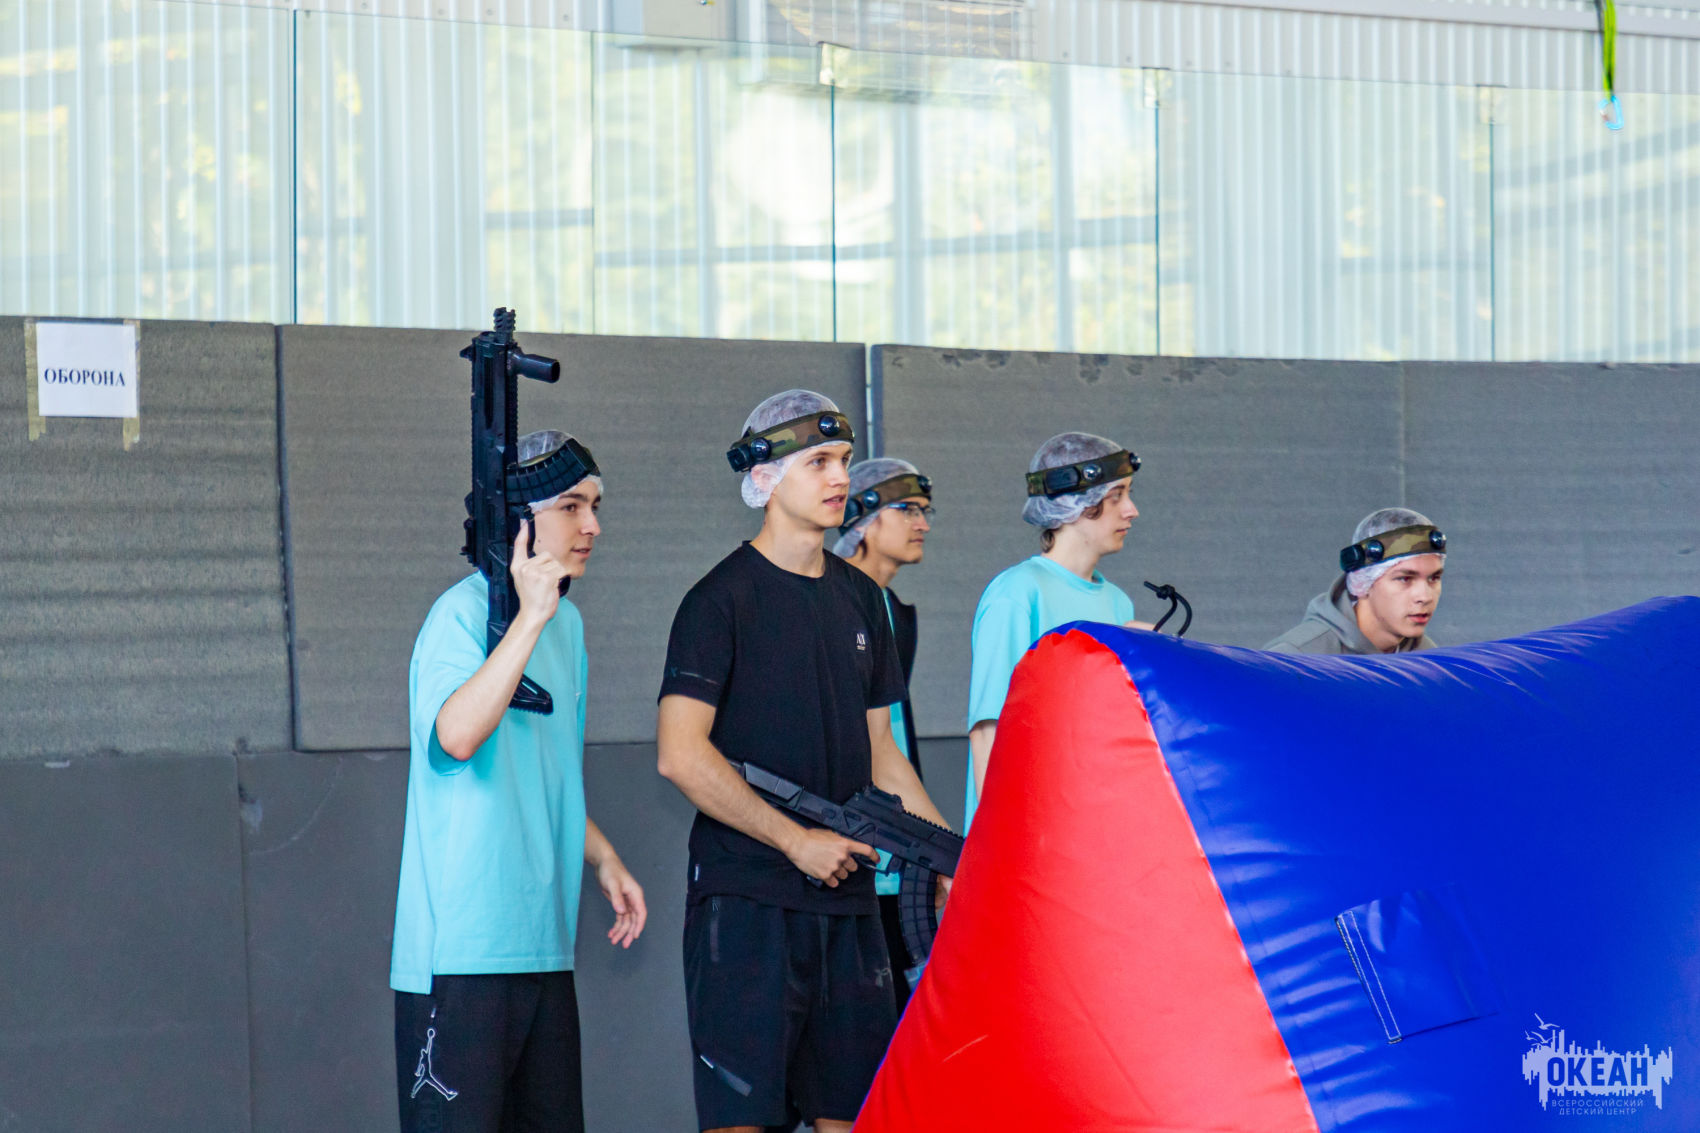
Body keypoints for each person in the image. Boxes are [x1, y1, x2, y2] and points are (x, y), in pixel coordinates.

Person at [656, 390, 955, 1133]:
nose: (840, 477)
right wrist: (795, 841)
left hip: (849, 907)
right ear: (764, 476)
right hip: (745, 904)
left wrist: (952, 855)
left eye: (845, 460)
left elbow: (882, 752)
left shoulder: (862, 601)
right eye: (818, 461)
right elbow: (680, 755)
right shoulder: (718, 601)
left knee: (852, 1117)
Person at [391, 429, 648, 1133]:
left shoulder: (568, 627)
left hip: (545, 943)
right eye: (571, 506)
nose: (592, 526)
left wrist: (603, 857)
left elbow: (544, 770)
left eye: (595, 506)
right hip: (461, 954)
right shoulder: (460, 614)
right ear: (518, 521)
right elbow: (455, 736)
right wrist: (528, 619)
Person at [965, 432, 1145, 832]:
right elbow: (988, 733)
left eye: (1129, 495)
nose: (1132, 511)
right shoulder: (1017, 593)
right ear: (1074, 503)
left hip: (1090, 828)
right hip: (1028, 835)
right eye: (1116, 496)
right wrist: (1002, 846)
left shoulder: (1118, 604)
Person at [831, 456, 935, 1009]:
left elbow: (890, 736)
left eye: (925, 511)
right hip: (847, 862)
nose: (923, 523)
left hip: (896, 855)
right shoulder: (832, 602)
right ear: (862, 520)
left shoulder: (893, 610)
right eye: (908, 510)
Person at [1265, 507, 1446, 655]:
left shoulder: (1428, 660)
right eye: (1405, 579)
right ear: (1363, 582)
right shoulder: (1297, 659)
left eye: (1434, 578)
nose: (1425, 597)